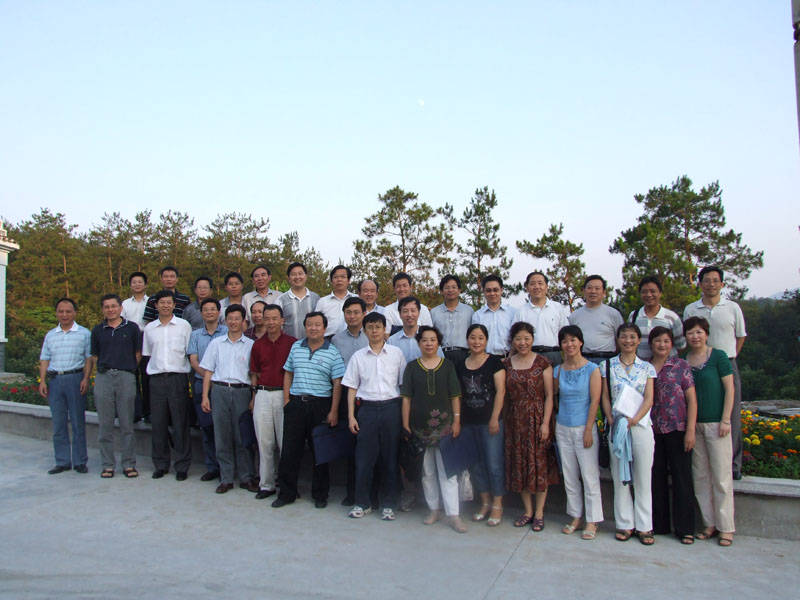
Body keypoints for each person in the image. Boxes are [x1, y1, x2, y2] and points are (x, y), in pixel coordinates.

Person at [271, 312, 344, 509]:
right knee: (289, 451)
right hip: (296, 404)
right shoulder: (296, 347)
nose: (313, 328)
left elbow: (337, 383)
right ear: (305, 327)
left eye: (317, 325)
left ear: (324, 328)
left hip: (321, 405)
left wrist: (334, 411)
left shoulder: (332, 352)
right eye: (310, 324)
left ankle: (320, 494)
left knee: (320, 452)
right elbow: (288, 372)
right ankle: (286, 493)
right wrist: (287, 400)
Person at [683, 266, 747, 480]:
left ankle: (734, 464)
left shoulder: (732, 308)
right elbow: (687, 336)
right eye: (707, 280)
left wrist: (728, 358)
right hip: (697, 364)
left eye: (715, 280)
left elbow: (740, 336)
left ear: (722, 284)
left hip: (726, 362)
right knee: (698, 410)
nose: (711, 284)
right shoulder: (691, 309)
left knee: (731, 414)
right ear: (700, 284)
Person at [343, 311, 407, 521]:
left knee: (390, 459)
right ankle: (363, 503)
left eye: (378, 327)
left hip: (391, 408)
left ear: (384, 329)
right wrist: (351, 416)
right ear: (364, 331)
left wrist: (404, 417)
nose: (374, 331)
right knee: (364, 459)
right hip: (367, 410)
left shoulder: (396, 354)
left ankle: (389, 504)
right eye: (370, 327)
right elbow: (351, 388)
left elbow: (403, 387)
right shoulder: (358, 357)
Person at [401, 326, 466, 533]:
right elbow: (406, 398)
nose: (429, 344)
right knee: (427, 472)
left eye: (433, 340)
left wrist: (456, 421)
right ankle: (434, 509)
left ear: (438, 343)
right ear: (419, 343)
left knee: (448, 471)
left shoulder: (447, 366)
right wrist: (405, 424)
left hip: (445, 428)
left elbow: (455, 396)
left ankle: (453, 514)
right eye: (424, 340)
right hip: (420, 429)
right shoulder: (412, 367)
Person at [601, 323, 657, 545]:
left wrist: (634, 419)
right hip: (618, 426)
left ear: (639, 340)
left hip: (640, 426)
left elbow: (649, 398)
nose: (628, 341)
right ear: (618, 339)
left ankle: (644, 526)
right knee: (620, 478)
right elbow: (605, 397)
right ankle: (624, 524)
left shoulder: (647, 368)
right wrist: (611, 418)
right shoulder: (607, 366)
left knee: (643, 478)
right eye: (623, 336)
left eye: (632, 337)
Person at [683, 316, 735, 547]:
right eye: (690, 333)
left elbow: (730, 389)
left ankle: (726, 527)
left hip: (717, 425)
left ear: (706, 334)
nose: (695, 336)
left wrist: (726, 419)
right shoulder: (684, 361)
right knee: (700, 477)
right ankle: (709, 524)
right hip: (694, 426)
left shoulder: (718, 357)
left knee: (721, 477)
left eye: (699, 332)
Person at [504, 321, 558, 531]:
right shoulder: (507, 364)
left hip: (537, 418)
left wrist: (545, 423)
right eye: (518, 339)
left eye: (527, 338)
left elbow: (549, 396)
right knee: (520, 465)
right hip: (516, 420)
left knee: (539, 464)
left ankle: (540, 513)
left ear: (533, 339)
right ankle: (527, 511)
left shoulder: (543, 363)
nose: (523, 342)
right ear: (513, 341)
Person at [200, 304, 258, 494]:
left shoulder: (251, 345)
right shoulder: (216, 343)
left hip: (242, 391)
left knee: (243, 436)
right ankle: (226, 478)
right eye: (230, 319)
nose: (233, 322)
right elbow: (208, 371)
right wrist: (205, 396)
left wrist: (253, 397)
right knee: (221, 435)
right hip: (220, 391)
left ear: (244, 321)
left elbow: (253, 374)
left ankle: (246, 477)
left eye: (237, 319)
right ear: (225, 321)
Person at [552, 325, 603, 540]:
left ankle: (592, 519)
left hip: (584, 427)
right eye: (565, 341)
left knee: (589, 475)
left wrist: (589, 429)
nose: (569, 344)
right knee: (569, 475)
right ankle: (575, 516)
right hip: (563, 426)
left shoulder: (592, 369)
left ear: (581, 342)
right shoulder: (558, 370)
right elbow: (555, 397)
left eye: (573, 340)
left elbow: (595, 401)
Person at [649, 326, 697, 544]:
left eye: (666, 341)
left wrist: (690, 430)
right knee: (656, 478)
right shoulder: (644, 367)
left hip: (677, 428)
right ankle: (659, 525)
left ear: (672, 344)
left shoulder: (680, 366)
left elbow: (692, 400)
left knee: (682, 479)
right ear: (651, 344)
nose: (662, 345)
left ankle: (685, 529)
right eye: (658, 340)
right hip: (652, 430)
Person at [455, 324, 506, 527]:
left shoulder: (494, 362)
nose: (476, 342)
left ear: (486, 340)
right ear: (467, 340)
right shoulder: (461, 364)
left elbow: (501, 391)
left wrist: (495, 417)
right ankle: (485, 502)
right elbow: (458, 394)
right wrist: (458, 420)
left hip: (489, 422)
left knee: (494, 464)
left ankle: (498, 504)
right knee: (475, 465)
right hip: (469, 422)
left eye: (480, 338)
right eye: (473, 337)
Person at [142, 290, 193, 480]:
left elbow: (189, 352)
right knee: (158, 424)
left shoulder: (184, 326)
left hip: (177, 379)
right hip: (156, 380)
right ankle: (161, 464)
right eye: (161, 302)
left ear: (174, 305)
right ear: (156, 305)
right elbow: (148, 354)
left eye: (168, 302)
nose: (165, 305)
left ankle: (182, 465)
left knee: (180, 423)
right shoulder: (150, 328)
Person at [90, 294, 142, 479]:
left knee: (127, 424)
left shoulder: (132, 328)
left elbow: (138, 353)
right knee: (105, 425)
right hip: (104, 377)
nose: (110, 309)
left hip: (125, 376)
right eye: (107, 307)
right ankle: (108, 465)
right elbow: (95, 355)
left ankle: (129, 464)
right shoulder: (98, 330)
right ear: (102, 309)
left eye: (114, 306)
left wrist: (127, 368)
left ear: (121, 308)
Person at [38, 297, 92, 474]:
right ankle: (62, 461)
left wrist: (86, 378)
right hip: (55, 381)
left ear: (75, 313)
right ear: (56, 313)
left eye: (68, 311)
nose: (64, 314)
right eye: (61, 311)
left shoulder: (84, 333)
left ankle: (80, 461)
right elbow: (45, 359)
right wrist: (43, 380)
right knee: (58, 423)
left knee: (78, 422)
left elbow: (89, 358)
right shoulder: (51, 335)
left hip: (75, 379)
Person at [249, 304, 296, 500]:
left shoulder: (293, 343)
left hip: (284, 395)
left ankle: (287, 486)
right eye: (267, 318)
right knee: (264, 442)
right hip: (263, 394)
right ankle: (266, 484)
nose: (270, 322)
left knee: (286, 443)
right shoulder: (258, 345)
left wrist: (289, 398)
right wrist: (254, 397)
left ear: (282, 320)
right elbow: (254, 373)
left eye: (274, 318)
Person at [331, 297, 369, 505]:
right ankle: (352, 492)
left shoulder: (372, 335)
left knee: (369, 445)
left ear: (364, 313)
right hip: (347, 393)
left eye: (356, 312)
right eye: (348, 312)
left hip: (369, 394)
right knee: (350, 443)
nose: (352, 316)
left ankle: (370, 492)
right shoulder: (336, 340)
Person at [187, 298, 227, 482]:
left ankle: (227, 467)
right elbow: (193, 361)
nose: (209, 312)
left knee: (224, 428)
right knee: (207, 427)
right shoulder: (195, 335)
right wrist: (208, 377)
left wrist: (214, 378)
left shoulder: (227, 332)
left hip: (222, 384)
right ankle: (212, 467)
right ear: (201, 313)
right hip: (200, 383)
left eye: (213, 309)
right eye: (206, 309)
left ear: (219, 312)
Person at [513, 271, 569, 366]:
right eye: (532, 284)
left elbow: (565, 334)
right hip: (529, 355)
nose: (536, 287)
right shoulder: (521, 311)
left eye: (540, 283)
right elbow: (514, 337)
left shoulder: (557, 308)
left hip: (554, 354)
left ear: (546, 287)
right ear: (527, 287)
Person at [568, 275, 624, 364]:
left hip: (606, 360)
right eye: (589, 288)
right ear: (583, 291)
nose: (593, 291)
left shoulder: (613, 314)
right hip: (582, 360)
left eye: (597, 288)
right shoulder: (574, 316)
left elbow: (621, 339)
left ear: (604, 292)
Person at [628, 275, 685, 360]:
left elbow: (681, 346)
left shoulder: (672, 317)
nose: (648, 295)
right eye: (644, 292)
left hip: (667, 366)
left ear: (660, 293)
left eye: (653, 291)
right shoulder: (633, 316)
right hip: (641, 366)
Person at [121, 271, 149, 422]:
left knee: (147, 376)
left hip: (147, 338)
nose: (137, 284)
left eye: (140, 282)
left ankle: (148, 411)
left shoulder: (151, 301)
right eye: (134, 282)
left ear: (145, 284)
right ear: (130, 285)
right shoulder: (125, 304)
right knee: (132, 375)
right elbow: (121, 322)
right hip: (130, 340)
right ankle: (135, 411)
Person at [430, 274, 474, 367]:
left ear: (459, 290)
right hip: (440, 355)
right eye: (447, 288)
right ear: (441, 291)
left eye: (454, 287)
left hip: (463, 355)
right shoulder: (434, 312)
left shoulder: (469, 311)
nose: (450, 290)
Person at [388, 296, 445, 364]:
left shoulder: (431, 339)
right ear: (400, 314)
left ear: (419, 313)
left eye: (413, 310)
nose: (409, 314)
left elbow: (441, 363)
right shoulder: (392, 341)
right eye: (405, 311)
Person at [472, 275, 515, 357]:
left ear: (501, 290)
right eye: (488, 290)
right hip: (485, 359)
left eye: (495, 290)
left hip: (508, 358)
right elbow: (475, 340)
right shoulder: (477, 315)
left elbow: (516, 337)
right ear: (483, 291)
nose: (492, 293)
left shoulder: (512, 313)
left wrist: (510, 358)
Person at [278, 262, 320, 340]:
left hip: (312, 343)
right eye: (293, 274)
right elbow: (277, 324)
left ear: (306, 276)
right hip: (289, 344)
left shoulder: (316, 298)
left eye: (300, 273)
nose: (297, 277)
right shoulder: (281, 300)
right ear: (289, 278)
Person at [315, 264, 357, 337]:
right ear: (331, 281)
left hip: (352, 338)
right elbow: (316, 322)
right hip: (328, 339)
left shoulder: (357, 299)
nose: (339, 280)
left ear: (348, 280)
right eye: (336, 277)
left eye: (343, 277)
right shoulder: (323, 301)